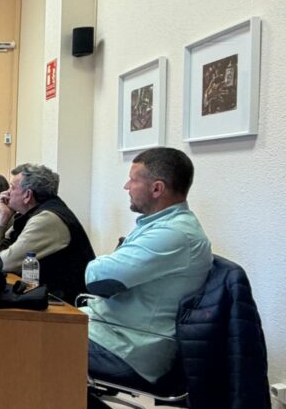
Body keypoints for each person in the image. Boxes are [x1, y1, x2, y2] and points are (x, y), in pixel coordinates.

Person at [84, 148, 212, 385]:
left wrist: (103, 261)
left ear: (157, 189)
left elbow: (98, 280)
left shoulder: (173, 234)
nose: (126, 186)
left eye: (133, 180)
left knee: (24, 338)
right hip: (108, 330)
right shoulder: (158, 225)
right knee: (24, 326)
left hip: (128, 348)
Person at [0, 163, 95, 303]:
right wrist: (3, 217)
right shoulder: (29, 215)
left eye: (12, 187)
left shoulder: (47, 219)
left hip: (65, 304)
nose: (6, 193)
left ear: (27, 195)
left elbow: (3, 263)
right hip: (45, 295)